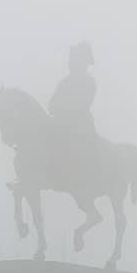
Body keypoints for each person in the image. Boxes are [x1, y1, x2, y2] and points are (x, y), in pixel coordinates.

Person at [48, 41, 100, 186]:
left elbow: (83, 105)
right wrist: (56, 109)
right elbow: (52, 103)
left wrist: (65, 111)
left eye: (75, 61)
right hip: (61, 122)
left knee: (85, 146)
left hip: (80, 125)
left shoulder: (89, 82)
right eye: (71, 61)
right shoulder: (65, 82)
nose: (71, 64)